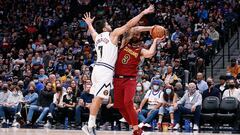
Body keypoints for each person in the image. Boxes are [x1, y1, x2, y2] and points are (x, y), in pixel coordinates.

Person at [81, 5, 155, 135]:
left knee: (96, 98)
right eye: (108, 24)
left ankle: (90, 125)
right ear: (105, 27)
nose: (110, 25)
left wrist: (89, 24)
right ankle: (90, 125)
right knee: (98, 98)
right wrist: (143, 12)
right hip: (105, 70)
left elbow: (92, 31)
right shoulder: (113, 34)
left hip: (96, 68)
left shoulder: (97, 37)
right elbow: (129, 25)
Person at [113, 25, 164, 134]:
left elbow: (150, 53)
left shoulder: (140, 50)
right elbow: (133, 29)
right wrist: (150, 28)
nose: (136, 34)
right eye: (135, 34)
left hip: (130, 80)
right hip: (117, 79)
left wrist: (155, 41)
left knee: (127, 102)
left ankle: (136, 129)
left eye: (138, 35)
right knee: (120, 107)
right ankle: (136, 127)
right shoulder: (124, 43)